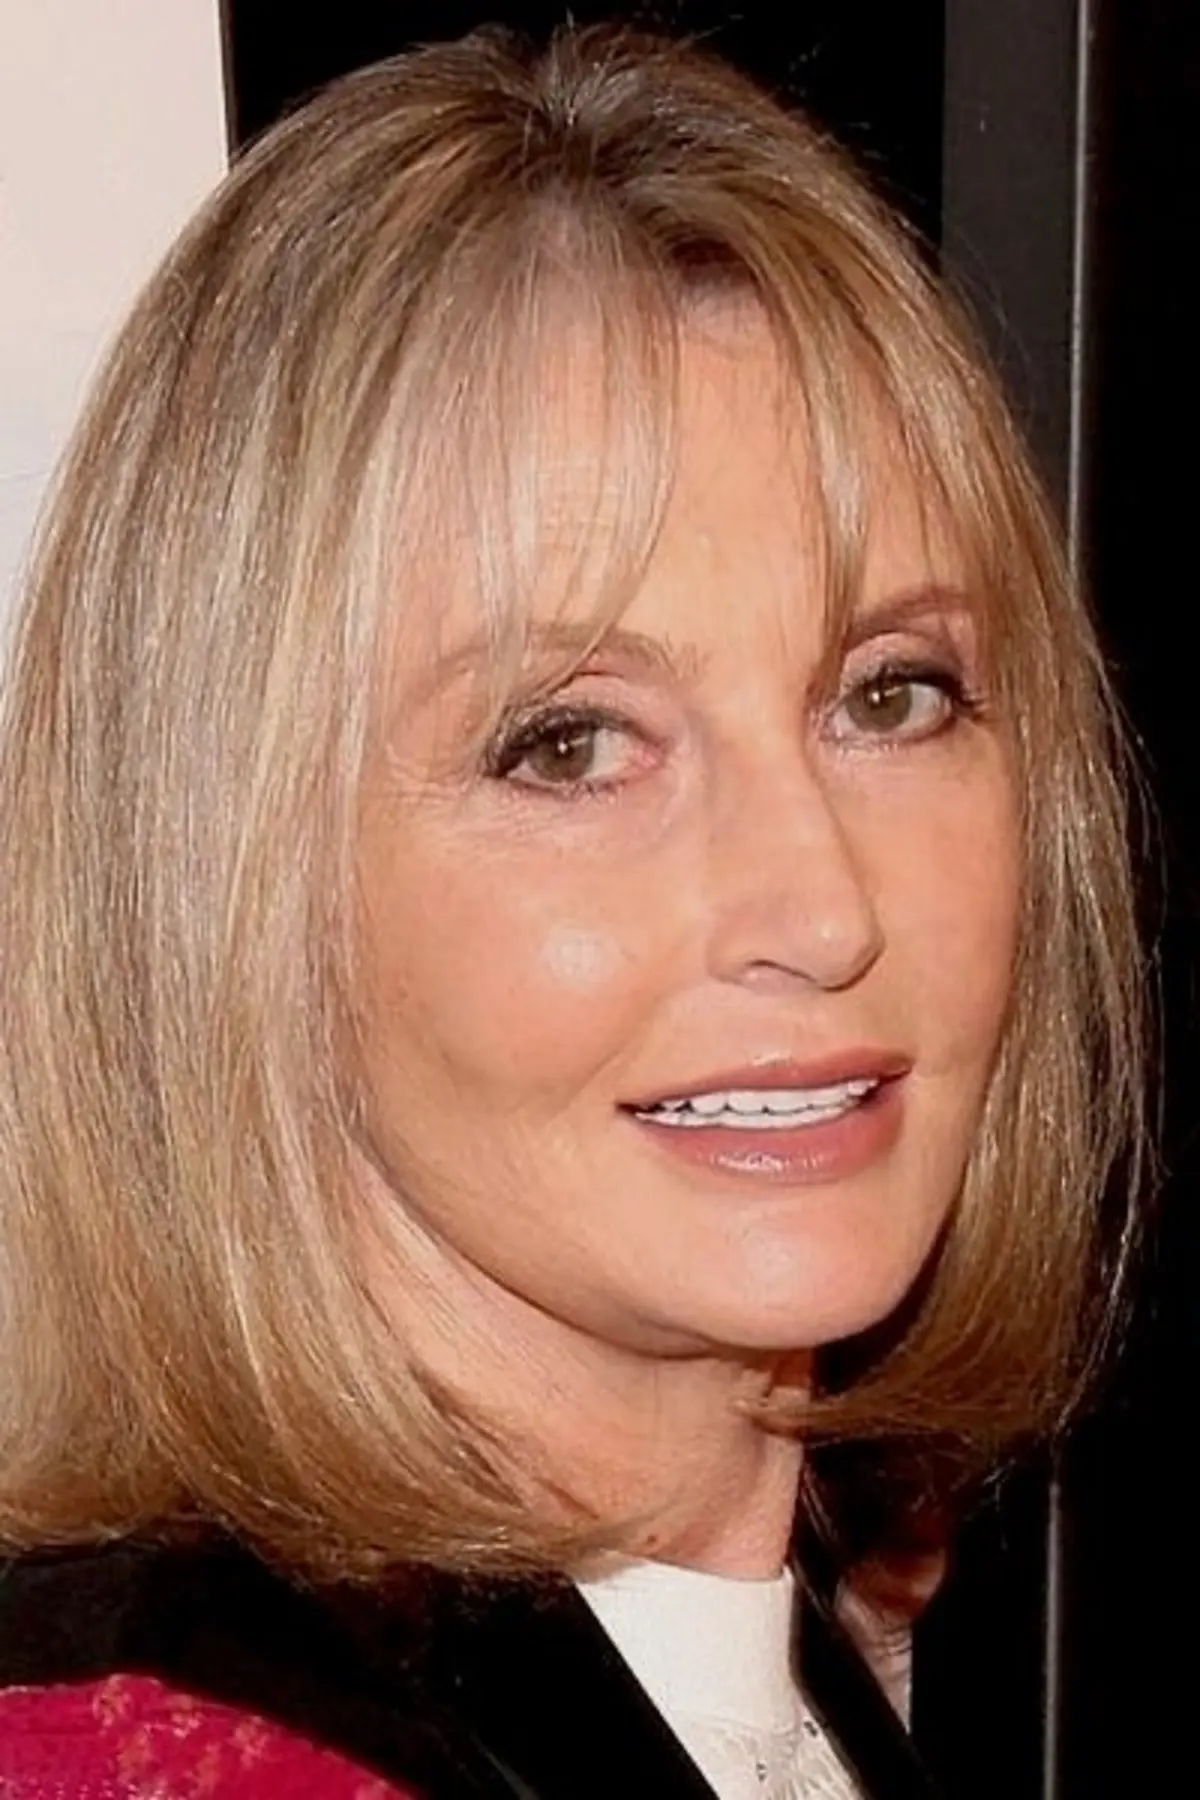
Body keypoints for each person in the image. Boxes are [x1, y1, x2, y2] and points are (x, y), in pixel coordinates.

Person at [0, 24, 1143, 1800]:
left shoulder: (764, 1687)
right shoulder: (162, 1759)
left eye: (890, 693)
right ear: (233, 885)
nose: (822, 904)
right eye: (571, 743)